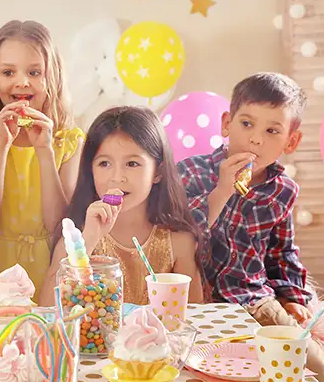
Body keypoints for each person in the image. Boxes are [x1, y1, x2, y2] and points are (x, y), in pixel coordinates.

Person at [177, 72, 324, 382]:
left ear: (291, 141)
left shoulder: (283, 191)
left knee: (316, 364)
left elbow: (281, 252)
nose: (256, 139)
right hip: (199, 302)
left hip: (254, 300)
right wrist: (221, 192)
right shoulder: (190, 172)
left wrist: (292, 297)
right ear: (227, 124)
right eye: (246, 124)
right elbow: (176, 239)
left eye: (272, 130)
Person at [0, 20, 84, 296]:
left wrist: (45, 151)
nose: (21, 82)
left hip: (51, 265)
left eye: (34, 72)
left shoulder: (70, 140)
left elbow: (58, 223)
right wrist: (2, 146)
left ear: (52, 77)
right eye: (8, 72)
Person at [40, 106, 203, 307]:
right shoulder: (77, 237)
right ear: (90, 171)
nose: (117, 178)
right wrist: (88, 241)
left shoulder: (178, 242)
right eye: (104, 164)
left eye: (132, 164)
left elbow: (196, 315)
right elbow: (48, 307)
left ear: (158, 172)